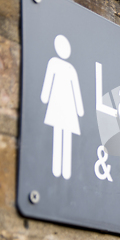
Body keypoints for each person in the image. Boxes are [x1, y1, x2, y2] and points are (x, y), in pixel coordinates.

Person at [41, 35, 84, 180]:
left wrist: (80, 109)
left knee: (66, 136)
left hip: (68, 107)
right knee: (58, 133)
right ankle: (56, 171)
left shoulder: (71, 68)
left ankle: (65, 172)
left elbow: (76, 90)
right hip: (57, 104)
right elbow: (48, 82)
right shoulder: (53, 63)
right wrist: (45, 98)